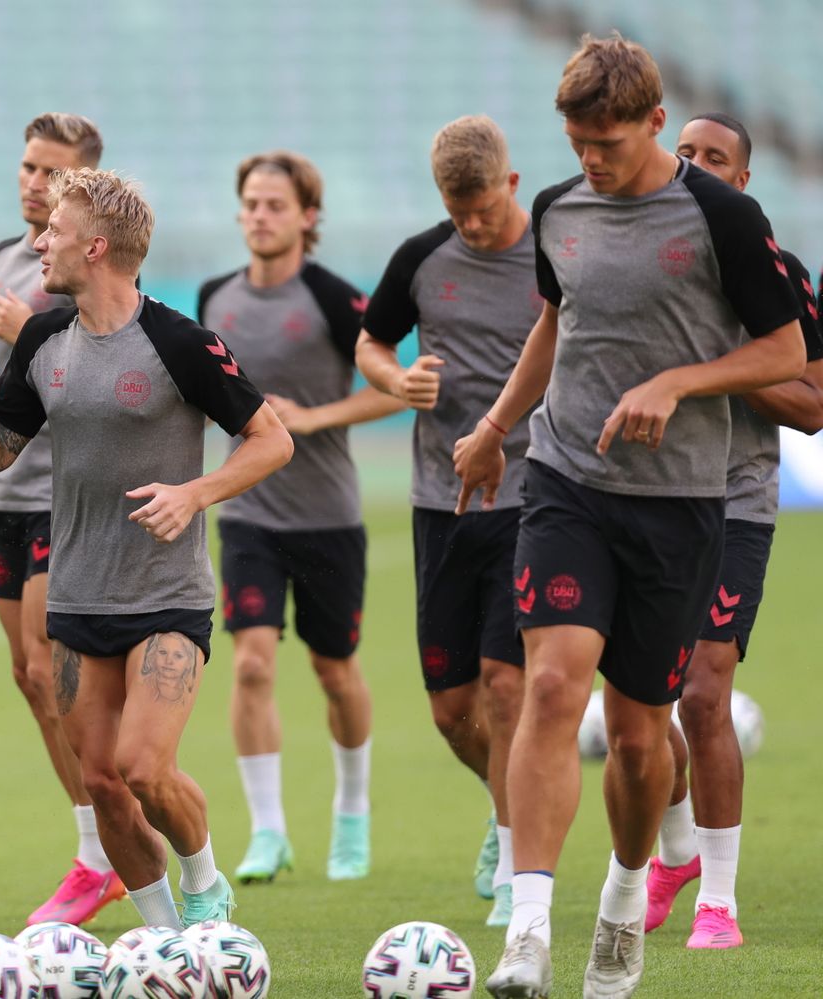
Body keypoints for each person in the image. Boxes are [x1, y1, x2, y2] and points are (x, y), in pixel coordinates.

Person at [451, 37, 806, 998]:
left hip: (683, 503)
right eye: (576, 143)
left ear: (655, 123)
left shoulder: (723, 217)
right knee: (552, 688)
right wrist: (494, 426)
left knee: (645, 738)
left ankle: (624, 896)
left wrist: (681, 381)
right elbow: (554, 323)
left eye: (606, 142)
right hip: (566, 480)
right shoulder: (560, 207)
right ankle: (527, 930)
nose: (590, 162)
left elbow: (783, 350)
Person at [0, 167, 293, 929]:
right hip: (78, 597)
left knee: (146, 768)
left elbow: (270, 440)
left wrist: (194, 493)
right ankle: (163, 934)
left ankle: (205, 885)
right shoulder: (44, 338)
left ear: (98, 247)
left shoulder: (181, 341)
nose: (40, 240)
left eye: (54, 229)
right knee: (104, 781)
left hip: (167, 597)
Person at [354, 115, 542, 926]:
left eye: (483, 208)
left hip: (540, 496)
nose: (471, 224)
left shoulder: (556, 255)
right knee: (451, 710)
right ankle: (510, 795)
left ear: (511, 183)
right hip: (442, 502)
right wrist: (398, 381)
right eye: (454, 209)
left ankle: (513, 855)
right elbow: (369, 344)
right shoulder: (421, 257)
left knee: (506, 687)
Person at [643, 112, 823, 950]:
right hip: (638, 498)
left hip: (734, 501)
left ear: (743, 183)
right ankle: (674, 851)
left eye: (715, 158)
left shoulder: (777, 270)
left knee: (704, 695)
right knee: (640, 702)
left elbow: (812, 406)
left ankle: (718, 900)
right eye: (684, 152)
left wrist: (712, 367)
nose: (695, 166)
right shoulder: (639, 258)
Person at [198, 150, 399, 886]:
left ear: (308, 217)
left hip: (327, 518)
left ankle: (352, 813)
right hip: (247, 513)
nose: (260, 215)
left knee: (334, 670)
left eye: (276, 204)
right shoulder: (213, 296)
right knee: (250, 661)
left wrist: (314, 418)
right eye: (251, 202)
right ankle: (269, 831)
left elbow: (395, 388)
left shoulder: (337, 299)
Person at [0, 113, 126, 925]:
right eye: (26, 165)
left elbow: (95, 366)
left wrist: (33, 336)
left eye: (49, 173)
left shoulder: (93, 264)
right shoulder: (2, 255)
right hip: (9, 494)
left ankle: (103, 848)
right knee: (28, 678)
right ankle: (99, 840)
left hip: (68, 493)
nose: (31, 182)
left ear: (81, 180)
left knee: (52, 666)